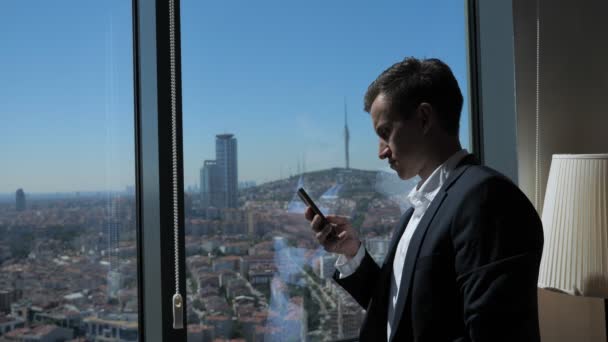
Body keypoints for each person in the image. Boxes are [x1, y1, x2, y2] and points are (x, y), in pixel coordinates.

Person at [304, 57, 544, 342]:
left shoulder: (487, 198)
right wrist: (352, 252)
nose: (381, 151)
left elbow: (494, 332)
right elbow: (403, 309)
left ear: (424, 119)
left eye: (385, 133)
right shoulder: (418, 211)